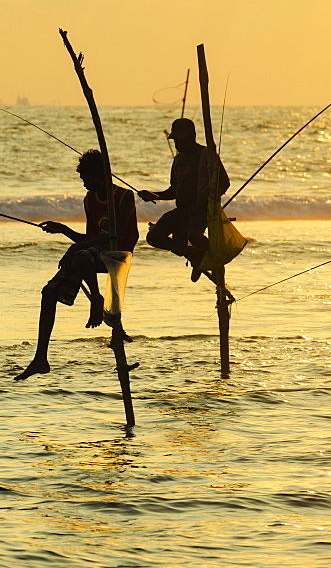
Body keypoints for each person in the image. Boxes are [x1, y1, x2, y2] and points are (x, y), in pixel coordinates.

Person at [15, 149, 139, 381]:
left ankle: (96, 300)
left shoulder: (124, 197)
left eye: (87, 178)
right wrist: (64, 230)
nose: (84, 184)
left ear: (101, 175)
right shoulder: (90, 200)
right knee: (49, 293)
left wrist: (75, 249)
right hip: (90, 254)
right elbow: (89, 238)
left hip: (118, 253)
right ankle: (40, 357)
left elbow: (114, 236)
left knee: (80, 256)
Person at [138, 117, 230, 281]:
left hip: (201, 211)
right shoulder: (178, 160)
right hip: (182, 212)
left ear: (192, 136)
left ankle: (213, 258)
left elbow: (224, 182)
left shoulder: (206, 155)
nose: (177, 144)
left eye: (181, 140)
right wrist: (153, 195)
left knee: (194, 236)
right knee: (153, 237)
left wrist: (211, 199)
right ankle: (195, 256)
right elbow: (173, 191)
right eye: (175, 140)